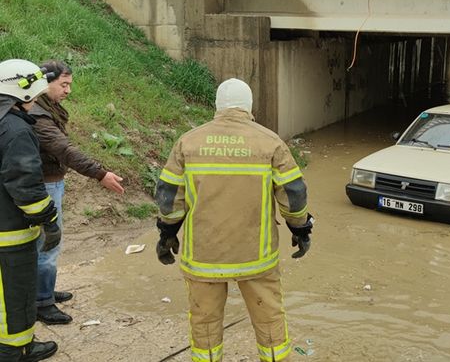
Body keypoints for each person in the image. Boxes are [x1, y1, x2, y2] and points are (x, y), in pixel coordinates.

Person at [154, 78, 313, 362]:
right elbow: (294, 194)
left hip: (204, 257)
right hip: (257, 257)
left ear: (217, 106)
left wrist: (167, 233)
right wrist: (300, 228)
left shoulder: (188, 142)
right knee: (269, 321)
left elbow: (169, 197)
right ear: (249, 107)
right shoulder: (270, 142)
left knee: (204, 324)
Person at [29, 60, 125, 325]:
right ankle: (42, 303)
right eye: (64, 84)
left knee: (46, 241)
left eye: (69, 84)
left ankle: (43, 290)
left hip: (50, 182)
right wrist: (100, 173)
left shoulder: (46, 108)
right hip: (44, 185)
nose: (68, 90)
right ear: (45, 83)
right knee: (48, 243)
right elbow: (64, 150)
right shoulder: (38, 114)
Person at [0, 59, 60, 361]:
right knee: (16, 292)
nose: (35, 101)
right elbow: (26, 186)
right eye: (33, 96)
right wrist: (49, 220)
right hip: (10, 233)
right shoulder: (16, 132)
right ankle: (17, 348)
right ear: (21, 95)